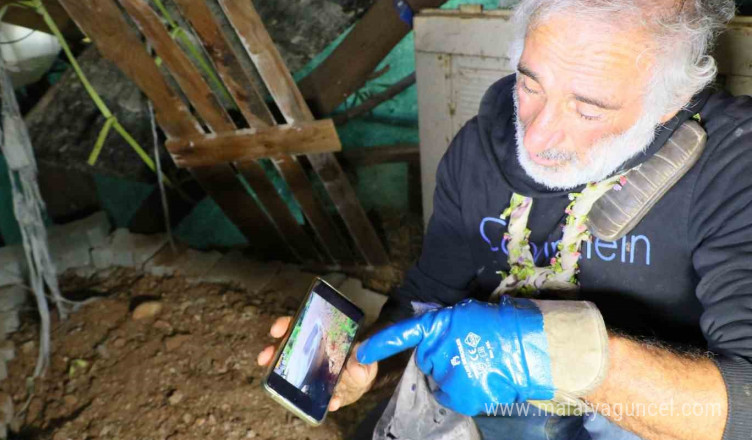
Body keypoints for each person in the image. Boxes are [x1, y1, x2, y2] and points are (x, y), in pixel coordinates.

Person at [258, 0, 752, 439]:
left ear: (669, 105)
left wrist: (555, 354)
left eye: (588, 110)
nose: (535, 139)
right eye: (529, 83)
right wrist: (368, 360)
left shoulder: (735, 164)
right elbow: (430, 297)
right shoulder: (477, 149)